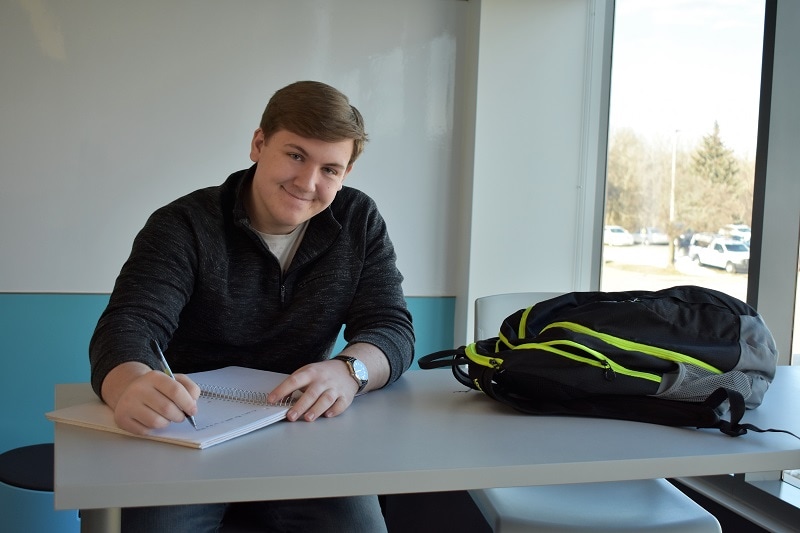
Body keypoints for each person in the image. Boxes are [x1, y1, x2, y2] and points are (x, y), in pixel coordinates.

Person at [89, 80, 415, 532]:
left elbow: (390, 327)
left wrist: (349, 371)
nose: (308, 183)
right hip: (185, 433)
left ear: (347, 173)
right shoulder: (183, 223)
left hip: (301, 430)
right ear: (259, 144)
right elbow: (129, 325)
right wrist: (129, 384)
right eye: (295, 155)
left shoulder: (358, 220)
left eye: (330, 170)